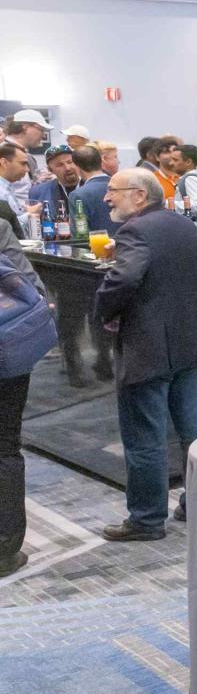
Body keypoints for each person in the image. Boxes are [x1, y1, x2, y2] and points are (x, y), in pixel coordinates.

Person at [93, 169, 197, 542]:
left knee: (144, 437)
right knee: (196, 433)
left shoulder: (134, 232)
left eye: (113, 191)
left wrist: (102, 311)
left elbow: (125, 279)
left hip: (147, 349)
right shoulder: (184, 225)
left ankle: (146, 520)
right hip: (190, 342)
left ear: (140, 195)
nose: (107, 198)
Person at [0, 207, 43, 575]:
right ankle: (4, 550)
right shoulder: (0, 229)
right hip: (6, 358)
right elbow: (32, 289)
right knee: (4, 449)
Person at [70, 145, 114, 237]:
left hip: (97, 245)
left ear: (76, 167)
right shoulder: (123, 186)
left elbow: (81, 234)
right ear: (101, 161)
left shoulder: (78, 195)